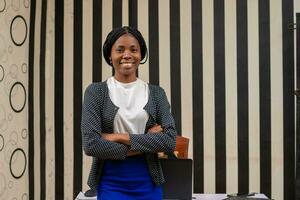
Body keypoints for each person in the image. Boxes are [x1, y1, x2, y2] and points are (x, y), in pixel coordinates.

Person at [81, 26, 177, 200]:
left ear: (141, 55)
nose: (127, 55)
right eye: (120, 50)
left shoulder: (156, 93)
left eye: (134, 50)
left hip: (149, 181)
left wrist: (117, 137)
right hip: (111, 182)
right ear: (110, 55)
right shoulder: (95, 92)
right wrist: (147, 141)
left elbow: (169, 141)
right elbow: (91, 144)